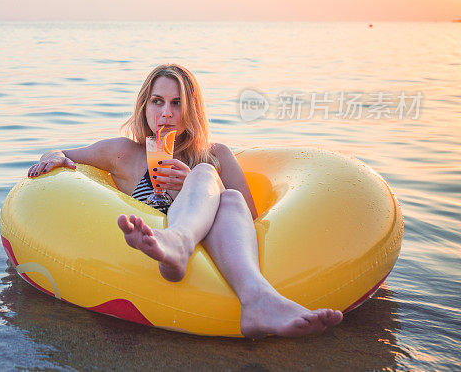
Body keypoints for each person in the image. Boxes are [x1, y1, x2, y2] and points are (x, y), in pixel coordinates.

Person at [27, 64, 343, 338]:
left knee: (216, 183)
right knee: (208, 177)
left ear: (191, 110)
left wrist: (192, 184)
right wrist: (53, 155)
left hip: (215, 250)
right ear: (144, 107)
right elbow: (63, 153)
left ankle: (254, 297)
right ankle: (186, 252)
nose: (166, 112)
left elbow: (250, 218)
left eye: (177, 103)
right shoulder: (123, 153)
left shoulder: (216, 154)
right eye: (158, 101)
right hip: (148, 256)